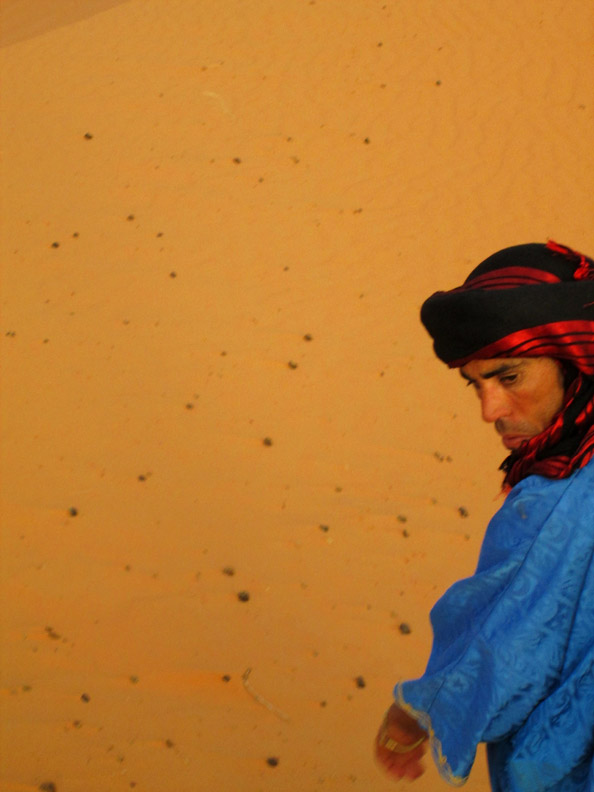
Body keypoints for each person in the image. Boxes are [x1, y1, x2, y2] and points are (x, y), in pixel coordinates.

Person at [374, 241, 594, 791]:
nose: (489, 411)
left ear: (577, 358)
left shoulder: (561, 497)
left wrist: (418, 710)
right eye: (475, 384)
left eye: (510, 377)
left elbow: (513, 646)